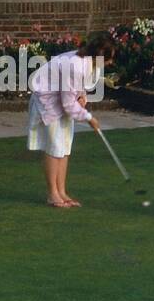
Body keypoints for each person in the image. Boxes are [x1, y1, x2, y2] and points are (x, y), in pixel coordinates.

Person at [26, 33, 115, 208]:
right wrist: (89, 118)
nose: (110, 62)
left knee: (65, 147)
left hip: (61, 98)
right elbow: (68, 104)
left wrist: (82, 98)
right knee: (55, 148)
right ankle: (52, 194)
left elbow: (78, 88)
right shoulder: (75, 65)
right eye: (109, 58)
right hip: (48, 100)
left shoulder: (89, 64)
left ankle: (62, 192)